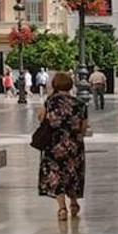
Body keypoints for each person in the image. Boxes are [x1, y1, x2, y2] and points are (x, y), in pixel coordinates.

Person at [36, 72, 87, 221]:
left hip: (54, 144)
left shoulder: (50, 102)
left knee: (56, 175)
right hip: (74, 145)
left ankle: (62, 208)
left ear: (55, 85)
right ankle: (74, 203)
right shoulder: (80, 104)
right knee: (73, 173)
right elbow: (84, 127)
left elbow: (41, 118)